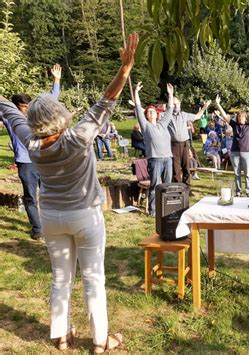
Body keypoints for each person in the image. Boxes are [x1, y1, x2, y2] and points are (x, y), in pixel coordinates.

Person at [0, 32, 139, 352]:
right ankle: (101, 342)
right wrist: (124, 70)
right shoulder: (78, 138)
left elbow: (9, 111)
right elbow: (106, 101)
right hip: (86, 217)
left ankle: (61, 336)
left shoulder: (30, 140)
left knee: (61, 278)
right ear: (60, 117)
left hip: (51, 217)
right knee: (94, 279)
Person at [1, 64, 62, 241]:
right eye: (22, 107)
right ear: (15, 107)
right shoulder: (9, 117)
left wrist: (56, 80)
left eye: (28, 106)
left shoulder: (36, 115)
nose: (26, 110)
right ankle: (38, 229)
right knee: (30, 197)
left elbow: (51, 101)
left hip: (43, 160)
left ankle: (54, 225)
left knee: (49, 194)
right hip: (25, 163)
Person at [215, 94, 249, 197]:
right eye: (239, 116)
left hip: (247, 152)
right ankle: (238, 192)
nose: (240, 118)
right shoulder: (234, 125)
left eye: (242, 116)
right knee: (237, 173)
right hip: (235, 152)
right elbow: (224, 115)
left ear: (246, 118)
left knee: (248, 174)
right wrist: (218, 105)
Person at [134, 81, 173, 216]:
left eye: (153, 112)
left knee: (167, 185)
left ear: (157, 114)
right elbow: (138, 108)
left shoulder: (163, 124)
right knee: (155, 185)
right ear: (147, 116)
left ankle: (167, 208)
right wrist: (136, 92)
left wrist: (170, 95)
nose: (151, 114)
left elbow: (170, 109)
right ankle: (153, 211)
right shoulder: (146, 127)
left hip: (168, 158)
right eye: (149, 113)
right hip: (155, 159)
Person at [168, 96, 211, 187]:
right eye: (174, 104)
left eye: (177, 103)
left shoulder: (184, 115)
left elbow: (198, 116)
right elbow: (153, 113)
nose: (176, 106)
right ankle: (178, 188)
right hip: (173, 145)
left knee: (186, 167)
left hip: (184, 144)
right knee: (176, 169)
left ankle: (186, 188)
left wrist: (205, 106)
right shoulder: (167, 115)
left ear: (180, 104)